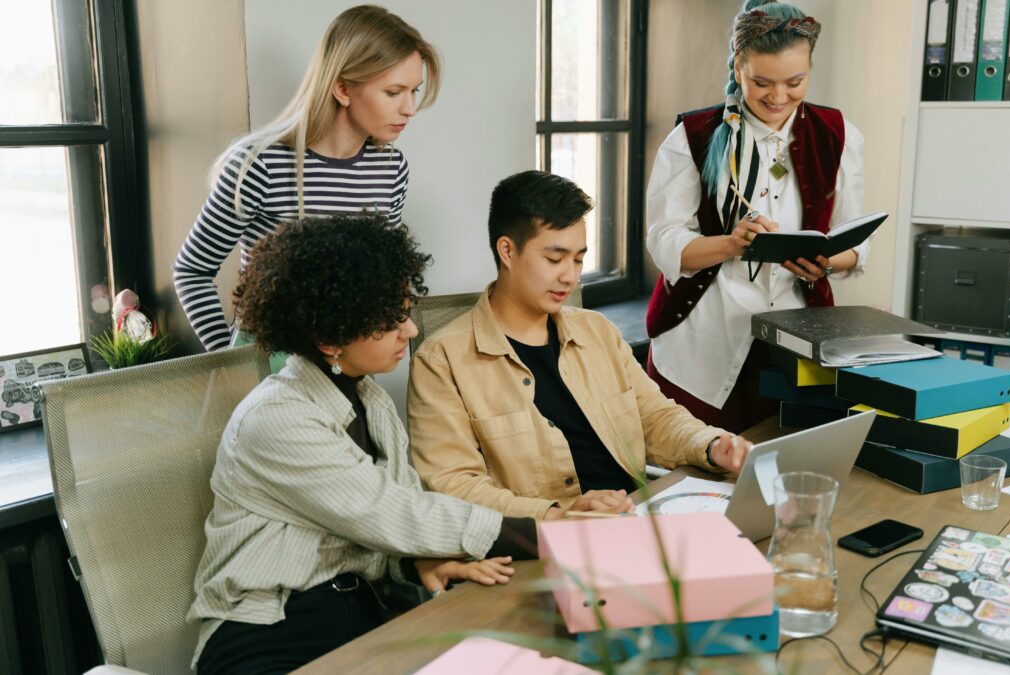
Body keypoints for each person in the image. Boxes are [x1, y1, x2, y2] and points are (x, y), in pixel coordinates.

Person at [189, 214, 536, 674]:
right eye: (391, 321)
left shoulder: (371, 401)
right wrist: (547, 535)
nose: (410, 331)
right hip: (270, 636)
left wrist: (415, 567)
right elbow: (389, 512)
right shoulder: (276, 418)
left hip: (362, 619)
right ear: (330, 336)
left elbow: (377, 529)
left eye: (407, 312)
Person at [407, 170, 750, 521]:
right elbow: (454, 488)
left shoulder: (597, 331)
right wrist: (560, 513)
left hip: (636, 519)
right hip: (545, 549)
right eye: (554, 259)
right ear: (507, 251)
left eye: (578, 259)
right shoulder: (442, 361)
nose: (570, 276)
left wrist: (711, 446)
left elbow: (655, 417)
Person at [644, 0, 867, 433]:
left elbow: (856, 243)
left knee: (783, 476)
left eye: (795, 82)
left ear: (809, 71)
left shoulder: (839, 134)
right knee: (689, 479)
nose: (778, 97)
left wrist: (827, 260)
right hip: (701, 346)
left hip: (797, 344)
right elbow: (663, 241)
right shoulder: (692, 136)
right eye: (761, 82)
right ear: (738, 67)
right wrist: (731, 244)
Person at [174, 5, 439, 352]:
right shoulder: (260, 164)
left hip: (348, 367)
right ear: (343, 89)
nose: (409, 108)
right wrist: (234, 365)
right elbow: (192, 271)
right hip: (270, 374)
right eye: (393, 92)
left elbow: (379, 279)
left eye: (414, 91)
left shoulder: (390, 168)